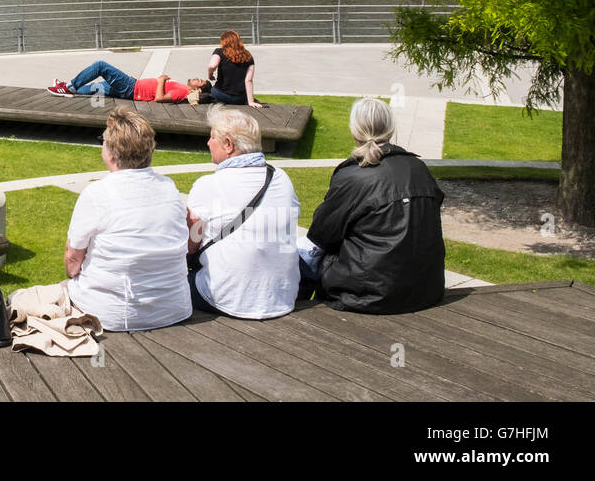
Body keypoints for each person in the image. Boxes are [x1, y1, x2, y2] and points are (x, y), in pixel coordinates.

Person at [300, 98, 446, 313]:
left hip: (366, 294)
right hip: (425, 289)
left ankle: (297, 308)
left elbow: (321, 235)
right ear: (391, 128)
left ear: (354, 131)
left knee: (305, 252)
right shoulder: (419, 167)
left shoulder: (354, 175)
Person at [63, 106, 193, 330]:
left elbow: (73, 262)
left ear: (111, 153)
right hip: (174, 307)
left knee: (22, 298)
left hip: (114, 312)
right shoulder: (168, 187)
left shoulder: (98, 193)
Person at [186, 106, 300, 319]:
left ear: (228, 144)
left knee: (169, 284)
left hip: (229, 298)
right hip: (282, 294)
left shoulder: (209, 184)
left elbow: (192, 242)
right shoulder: (282, 179)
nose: (208, 142)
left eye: (212, 138)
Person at [49, 62, 210, 101]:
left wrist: (161, 80)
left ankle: (69, 87)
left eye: (200, 81)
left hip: (131, 88)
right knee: (95, 87)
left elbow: (159, 99)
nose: (197, 78)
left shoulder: (183, 92)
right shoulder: (183, 88)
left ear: (199, 90)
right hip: (132, 87)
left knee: (100, 66)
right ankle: (65, 89)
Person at [207, 30, 263, 108]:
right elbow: (248, 80)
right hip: (239, 99)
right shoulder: (248, 56)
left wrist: (210, 74)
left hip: (220, 95)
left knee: (209, 88)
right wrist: (251, 101)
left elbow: (212, 66)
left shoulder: (219, 51)